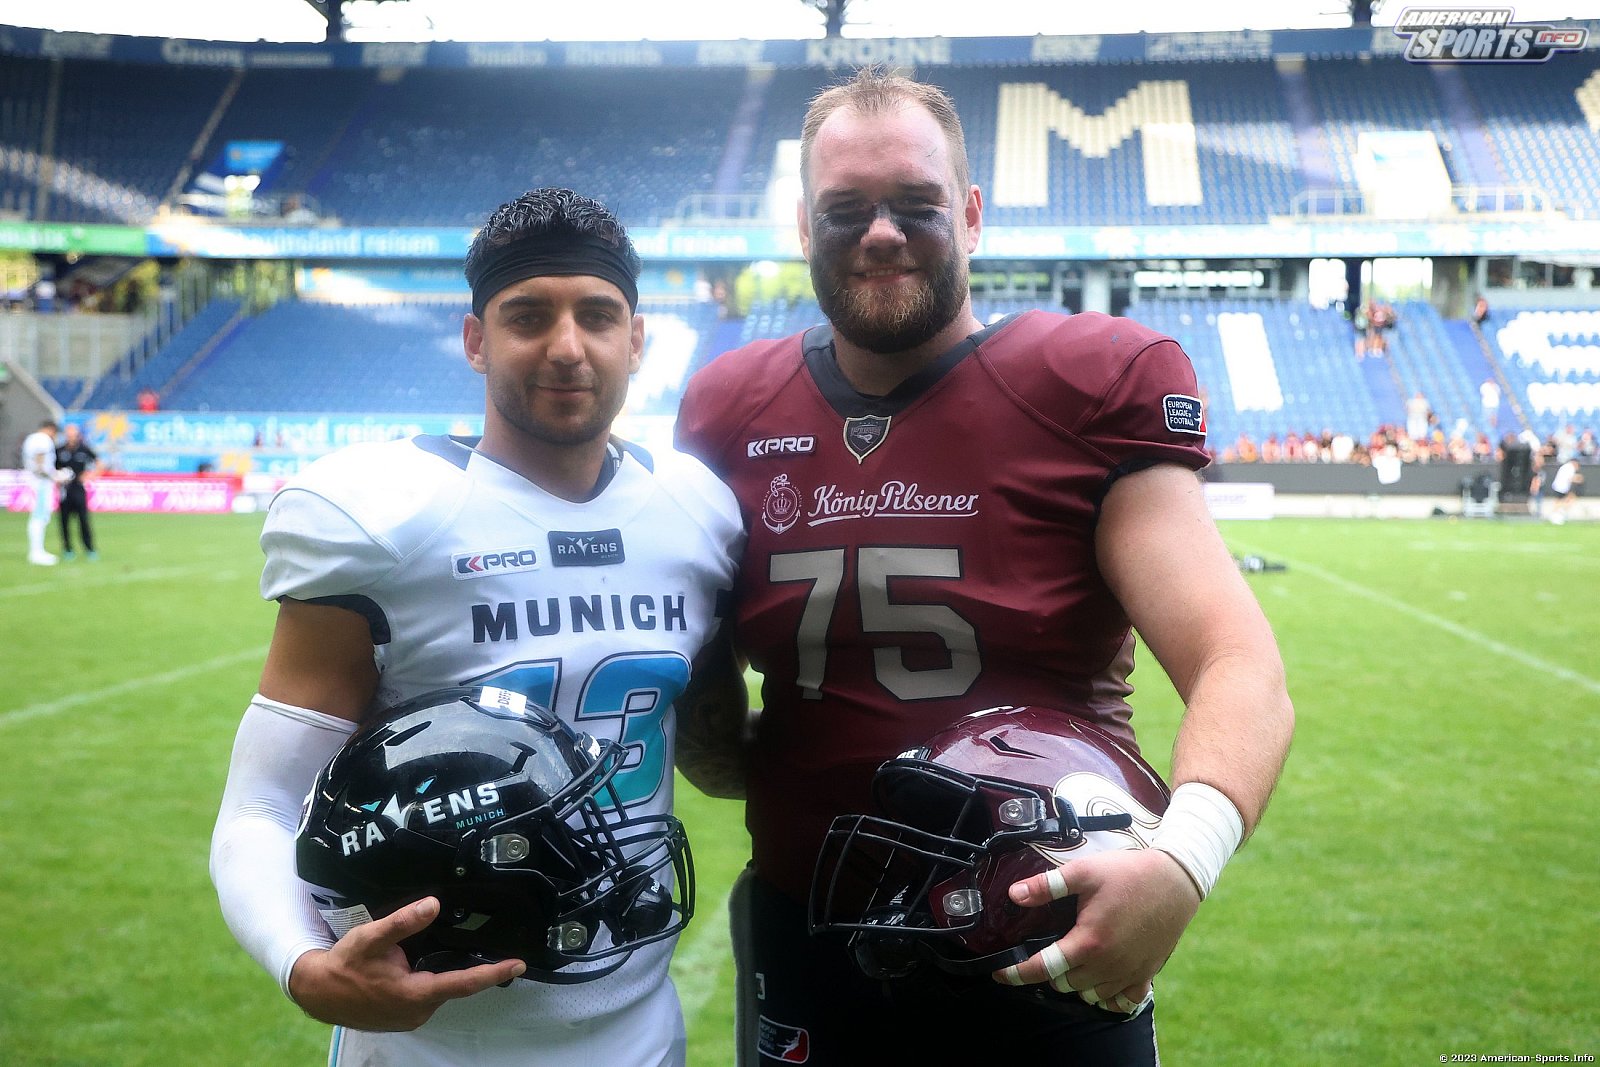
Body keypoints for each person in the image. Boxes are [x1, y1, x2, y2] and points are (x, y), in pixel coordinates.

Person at [674, 68, 1294, 1064]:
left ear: (969, 214)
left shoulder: (1087, 383)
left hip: (1039, 919)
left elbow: (1239, 663)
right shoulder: (728, 405)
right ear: (802, 226)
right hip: (806, 927)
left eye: (915, 203)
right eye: (845, 209)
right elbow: (698, 684)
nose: (881, 233)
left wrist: (1183, 860)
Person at [209, 187, 743, 1067]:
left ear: (636, 339)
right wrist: (301, 960)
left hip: (643, 1029)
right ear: (475, 339)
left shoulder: (697, 514)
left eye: (597, 315)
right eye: (528, 316)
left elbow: (724, 737)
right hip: (432, 1045)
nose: (567, 346)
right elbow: (263, 801)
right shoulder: (386, 518)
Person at [54, 423, 101, 560]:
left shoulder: (84, 449)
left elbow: (99, 462)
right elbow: (53, 468)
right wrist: (58, 477)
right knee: (64, 521)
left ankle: (89, 548)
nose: (71, 436)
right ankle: (67, 549)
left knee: (83, 520)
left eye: (73, 434)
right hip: (65, 489)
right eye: (69, 434)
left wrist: (91, 475)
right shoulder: (59, 450)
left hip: (79, 489)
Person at [21, 417, 63, 565]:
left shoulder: (31, 438)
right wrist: (54, 476)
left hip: (36, 481)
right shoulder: (43, 440)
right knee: (40, 516)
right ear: (51, 430)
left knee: (39, 516)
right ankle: (36, 552)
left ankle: (37, 550)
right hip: (41, 482)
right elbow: (40, 463)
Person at [1548, 455, 1583, 524]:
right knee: (1560, 502)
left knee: (1565, 501)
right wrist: (1578, 478)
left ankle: (1558, 514)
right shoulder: (1570, 468)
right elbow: (1570, 478)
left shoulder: (1566, 467)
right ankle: (1556, 515)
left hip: (1561, 487)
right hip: (1561, 488)